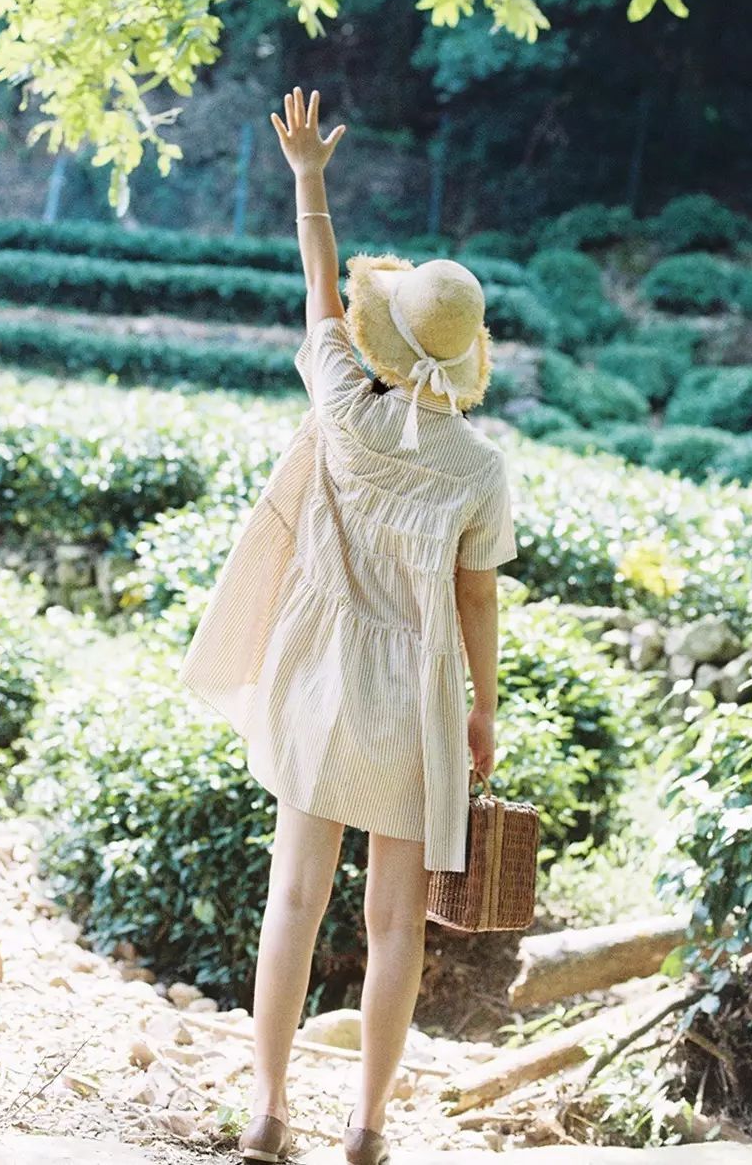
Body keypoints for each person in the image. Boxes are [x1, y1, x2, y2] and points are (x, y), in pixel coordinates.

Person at [177, 86, 519, 1165]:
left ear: (386, 334)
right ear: (459, 358)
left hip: (315, 671)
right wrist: (481, 709)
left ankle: (268, 1112)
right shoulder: (478, 465)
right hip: (412, 701)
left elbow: (319, 289)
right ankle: (368, 1130)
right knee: (393, 928)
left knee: (292, 896)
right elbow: (476, 596)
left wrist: (309, 177)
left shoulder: (337, 396)